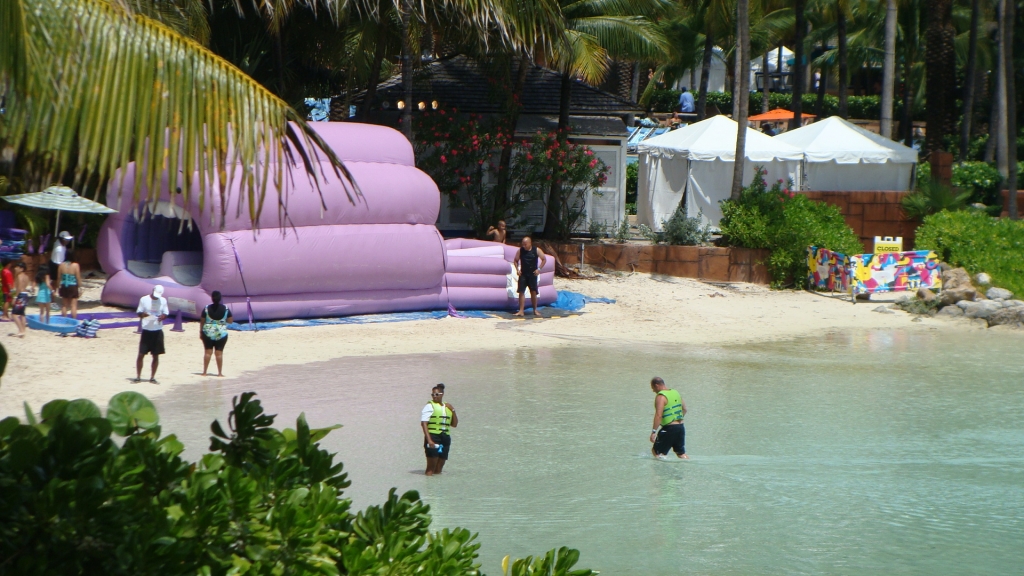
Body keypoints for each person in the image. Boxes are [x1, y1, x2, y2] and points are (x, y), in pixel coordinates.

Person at [420, 383, 458, 476]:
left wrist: (453, 410)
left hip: (445, 438)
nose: (434, 396)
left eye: (436, 394)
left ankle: (437, 489)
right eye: (432, 394)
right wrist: (429, 440)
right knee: (430, 468)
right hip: (433, 437)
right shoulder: (429, 406)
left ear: (442, 394)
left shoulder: (447, 407)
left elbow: (454, 424)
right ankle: (429, 488)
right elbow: (424, 423)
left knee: (439, 468)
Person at [649, 376, 688, 460]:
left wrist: (654, 431)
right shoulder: (675, 393)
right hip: (681, 427)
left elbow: (658, 415)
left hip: (669, 428)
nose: (653, 391)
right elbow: (685, 409)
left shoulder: (661, 397)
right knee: (681, 453)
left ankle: (661, 472)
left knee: (656, 452)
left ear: (657, 385)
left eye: (653, 388)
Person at [136, 285, 169, 383]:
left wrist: (162, 317)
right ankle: (138, 376)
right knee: (141, 354)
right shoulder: (144, 299)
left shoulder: (163, 300)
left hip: (157, 330)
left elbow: (166, 313)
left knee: (156, 355)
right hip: (146, 330)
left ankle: (152, 377)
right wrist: (144, 315)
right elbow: (139, 312)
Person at [200, 291, 233, 377]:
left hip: (208, 332)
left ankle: (204, 372)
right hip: (221, 332)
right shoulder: (225, 308)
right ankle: (219, 373)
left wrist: (200, 332)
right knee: (219, 353)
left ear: (212, 298)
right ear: (220, 298)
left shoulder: (206, 308)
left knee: (207, 352)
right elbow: (230, 321)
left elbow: (202, 321)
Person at [513, 236, 547, 317]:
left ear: (530, 243)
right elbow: (515, 260)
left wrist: (539, 269)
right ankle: (521, 311)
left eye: (525, 244)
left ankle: (535, 310)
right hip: (523, 274)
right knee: (521, 291)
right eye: (522, 244)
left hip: (532, 273)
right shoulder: (520, 250)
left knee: (533, 292)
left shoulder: (536, 250)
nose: (524, 246)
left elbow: (544, 259)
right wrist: (517, 269)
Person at [57, 251, 82, 319]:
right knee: (73, 305)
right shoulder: (76, 265)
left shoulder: (61, 265)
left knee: (64, 305)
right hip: (73, 286)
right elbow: (78, 277)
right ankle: (74, 320)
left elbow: (59, 277)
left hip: (64, 285)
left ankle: (64, 319)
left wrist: (58, 286)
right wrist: (80, 287)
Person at [9, 263, 30, 337]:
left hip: (20, 295)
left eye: (17, 267)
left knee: (14, 314)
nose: (15, 269)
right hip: (25, 295)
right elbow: (25, 287)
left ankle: (21, 330)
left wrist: (15, 297)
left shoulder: (19, 276)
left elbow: (19, 288)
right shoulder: (27, 277)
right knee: (22, 314)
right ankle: (23, 331)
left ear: (21, 269)